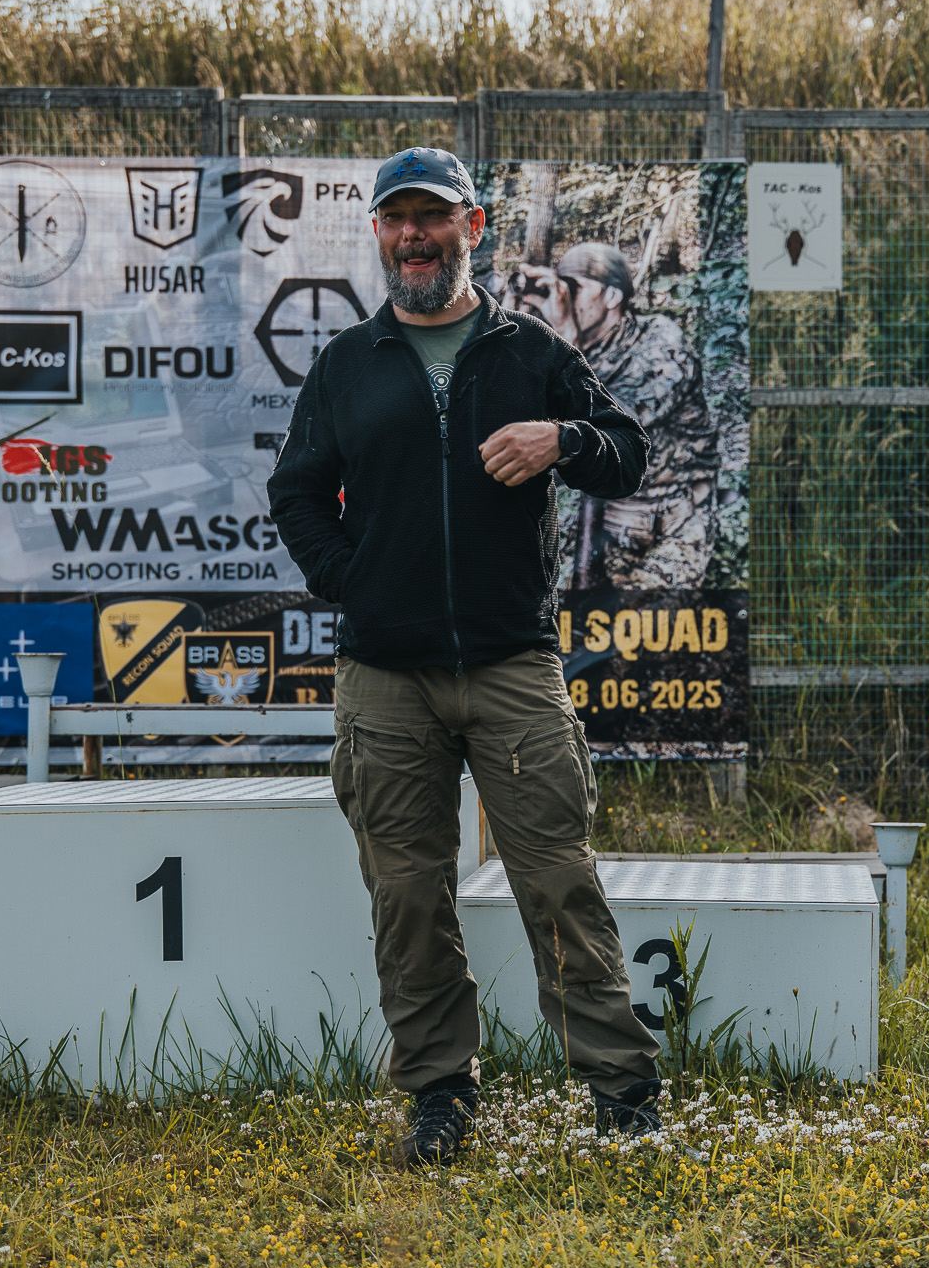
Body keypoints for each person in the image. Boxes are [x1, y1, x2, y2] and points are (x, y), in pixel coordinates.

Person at [267, 147, 664, 1167]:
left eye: (432, 219)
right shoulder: (348, 365)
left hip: (509, 665)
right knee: (406, 896)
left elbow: (625, 449)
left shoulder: (528, 353)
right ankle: (439, 1098)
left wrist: (559, 441)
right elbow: (296, 494)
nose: (413, 237)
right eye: (396, 220)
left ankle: (622, 1099)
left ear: (471, 228)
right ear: (378, 234)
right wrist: (353, 580)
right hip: (383, 676)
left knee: (558, 883)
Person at [510, 243, 716, 589]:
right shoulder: (555, 343)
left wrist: (567, 340)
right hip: (598, 521)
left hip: (667, 531)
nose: (564, 299)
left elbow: (612, 424)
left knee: (643, 638)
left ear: (612, 296)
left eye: (573, 288)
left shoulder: (661, 341)